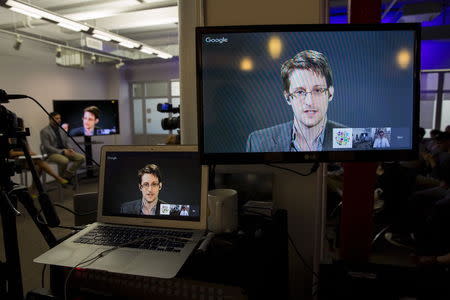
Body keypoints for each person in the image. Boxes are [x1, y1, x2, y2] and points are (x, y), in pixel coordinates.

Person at [246, 50, 344, 152]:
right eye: (300, 92)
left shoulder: (357, 142)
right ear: (288, 97)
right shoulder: (258, 142)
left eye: (318, 90)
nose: (309, 102)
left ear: (330, 93)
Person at [40, 112, 85, 181]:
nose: (59, 120)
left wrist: (70, 149)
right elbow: (47, 146)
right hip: (52, 154)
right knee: (64, 161)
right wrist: (63, 151)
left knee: (81, 158)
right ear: (50, 119)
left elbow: (67, 141)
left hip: (65, 151)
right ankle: (62, 179)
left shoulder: (62, 129)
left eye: (60, 118)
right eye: (57, 118)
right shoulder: (44, 131)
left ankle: (66, 175)